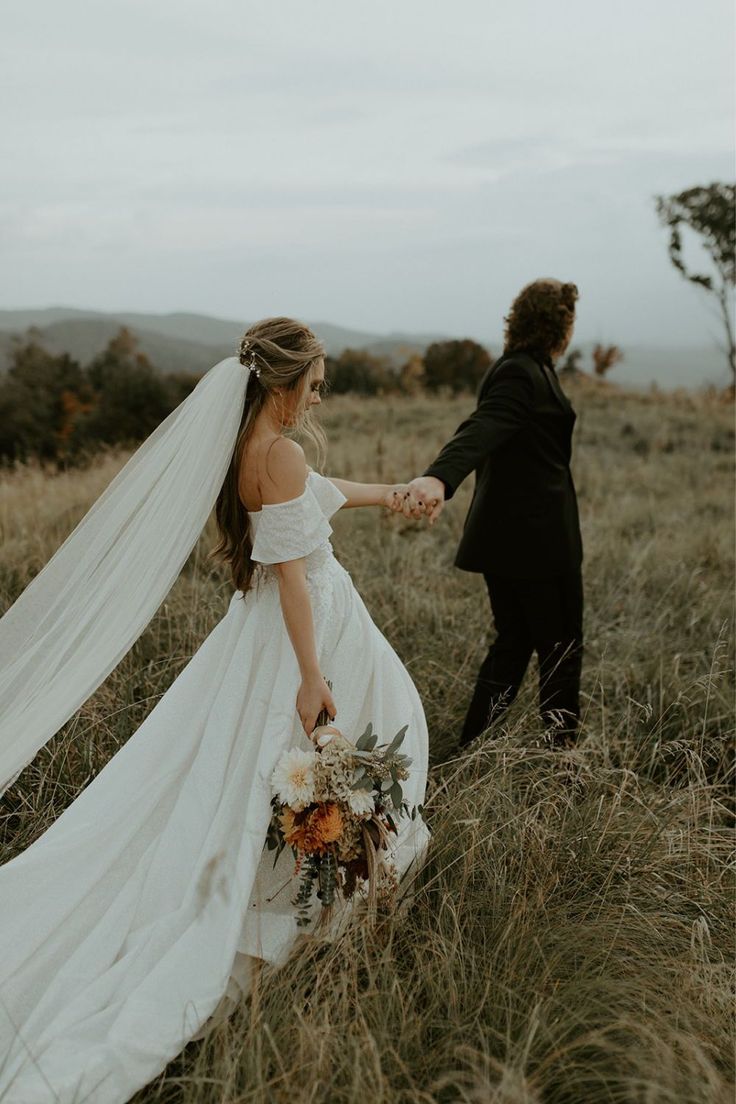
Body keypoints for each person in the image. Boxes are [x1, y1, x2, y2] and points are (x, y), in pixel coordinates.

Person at [0, 317, 430, 1103]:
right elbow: (295, 574)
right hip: (294, 636)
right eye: (315, 385)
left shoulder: (255, 450)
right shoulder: (281, 451)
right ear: (283, 383)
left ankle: (304, 874)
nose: (318, 398)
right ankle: (279, 893)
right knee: (272, 762)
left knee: (230, 768)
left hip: (267, 629)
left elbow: (319, 504)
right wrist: (309, 678)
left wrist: (396, 493)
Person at [400, 279, 584, 749]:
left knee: (514, 644)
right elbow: (483, 428)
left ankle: (471, 748)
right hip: (534, 545)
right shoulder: (519, 374)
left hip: (520, 540)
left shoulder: (530, 367)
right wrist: (440, 477)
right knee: (560, 649)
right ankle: (561, 759)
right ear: (558, 326)